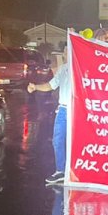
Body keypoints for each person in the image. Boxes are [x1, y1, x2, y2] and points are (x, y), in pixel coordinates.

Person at [28, 55, 71, 185]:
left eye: (67, 50)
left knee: (77, 142)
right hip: (63, 109)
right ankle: (60, 171)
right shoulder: (63, 69)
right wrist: (35, 87)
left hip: (78, 110)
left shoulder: (82, 67)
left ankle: (77, 171)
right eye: (64, 51)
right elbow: (50, 85)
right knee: (57, 140)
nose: (64, 54)